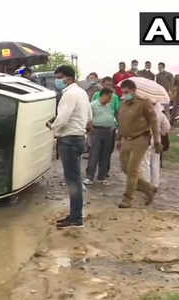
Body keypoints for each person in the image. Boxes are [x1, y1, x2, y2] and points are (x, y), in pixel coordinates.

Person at [46, 65, 92, 229]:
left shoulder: (69, 94)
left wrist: (53, 129)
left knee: (73, 181)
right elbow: (89, 116)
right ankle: (76, 215)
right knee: (75, 178)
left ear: (68, 78)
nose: (57, 81)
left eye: (59, 78)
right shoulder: (81, 93)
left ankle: (75, 217)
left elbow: (64, 118)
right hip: (78, 137)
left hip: (69, 139)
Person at [117, 80, 161, 209]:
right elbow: (122, 122)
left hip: (140, 139)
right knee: (124, 168)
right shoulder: (123, 104)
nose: (124, 94)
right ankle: (149, 188)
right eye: (123, 92)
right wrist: (119, 138)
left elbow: (154, 122)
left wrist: (157, 140)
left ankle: (127, 198)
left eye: (127, 92)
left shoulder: (144, 103)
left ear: (133, 90)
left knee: (132, 170)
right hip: (126, 139)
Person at [84, 88, 117, 185]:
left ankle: (101, 177)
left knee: (106, 154)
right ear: (104, 95)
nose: (110, 99)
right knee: (94, 154)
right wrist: (91, 129)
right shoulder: (93, 105)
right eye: (109, 97)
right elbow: (88, 118)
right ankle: (89, 177)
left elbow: (112, 117)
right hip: (96, 131)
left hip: (108, 131)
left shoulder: (109, 106)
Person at [92, 77, 122, 176]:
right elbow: (91, 110)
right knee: (96, 150)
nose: (108, 87)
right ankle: (92, 171)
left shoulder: (115, 97)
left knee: (108, 150)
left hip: (110, 127)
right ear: (102, 84)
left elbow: (117, 112)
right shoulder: (96, 95)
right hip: (97, 127)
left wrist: (119, 126)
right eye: (106, 85)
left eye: (110, 85)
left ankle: (104, 171)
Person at [141, 103, 171, 189]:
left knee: (145, 163)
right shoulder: (160, 114)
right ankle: (155, 184)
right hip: (157, 141)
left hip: (145, 139)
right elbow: (167, 127)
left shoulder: (143, 112)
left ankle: (146, 183)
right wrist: (161, 131)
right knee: (155, 163)